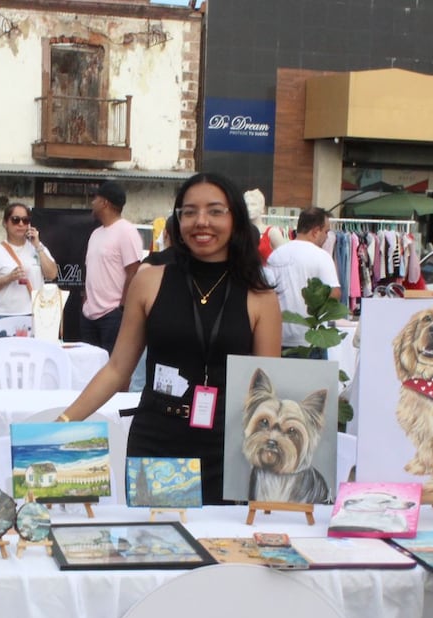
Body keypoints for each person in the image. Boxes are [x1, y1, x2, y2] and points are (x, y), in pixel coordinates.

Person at [57, 173, 282, 504]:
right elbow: (118, 368)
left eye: (215, 211)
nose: (200, 221)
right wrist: (64, 422)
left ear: (234, 218)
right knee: (156, 546)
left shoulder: (259, 296)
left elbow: (268, 390)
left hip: (230, 450)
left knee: (221, 549)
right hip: (158, 442)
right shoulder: (149, 281)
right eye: (189, 211)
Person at [263, 206, 339, 358]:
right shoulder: (321, 257)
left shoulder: (276, 255)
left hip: (279, 339)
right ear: (316, 231)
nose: (326, 237)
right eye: (326, 232)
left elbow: (265, 294)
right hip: (311, 340)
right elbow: (334, 294)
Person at [81, 180, 144, 353]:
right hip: (89, 315)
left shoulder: (127, 231)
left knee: (111, 369)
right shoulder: (95, 233)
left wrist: (121, 308)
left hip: (112, 316)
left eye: (95, 198)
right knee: (90, 369)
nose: (92, 203)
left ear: (104, 203)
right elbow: (91, 272)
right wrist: (86, 301)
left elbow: (134, 272)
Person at [0, 203, 59, 324]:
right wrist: (8, 278)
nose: (21, 224)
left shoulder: (38, 248)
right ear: (5, 223)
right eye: (15, 220)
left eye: (25, 220)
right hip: (4, 315)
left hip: (34, 314)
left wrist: (38, 246)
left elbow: (52, 274)